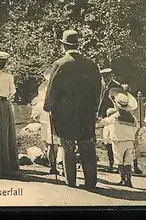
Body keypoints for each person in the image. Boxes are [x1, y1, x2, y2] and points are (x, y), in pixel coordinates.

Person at [44, 29, 102, 189]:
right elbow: (98, 90)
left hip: (65, 114)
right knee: (87, 146)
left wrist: (48, 106)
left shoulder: (60, 64)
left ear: (63, 46)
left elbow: (52, 89)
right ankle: (91, 181)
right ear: (78, 44)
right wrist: (95, 110)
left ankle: (70, 181)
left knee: (68, 146)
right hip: (86, 114)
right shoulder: (91, 64)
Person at [98, 88, 139, 187]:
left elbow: (106, 122)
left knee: (120, 162)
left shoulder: (115, 116)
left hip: (118, 142)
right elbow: (137, 127)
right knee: (128, 162)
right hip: (129, 142)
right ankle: (129, 180)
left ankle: (123, 179)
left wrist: (98, 120)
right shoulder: (132, 118)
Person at [32, 70, 61, 175]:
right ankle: (53, 166)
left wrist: (36, 114)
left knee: (49, 142)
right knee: (54, 143)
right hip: (52, 115)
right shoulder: (52, 87)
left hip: (45, 115)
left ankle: (51, 163)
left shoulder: (43, 86)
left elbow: (39, 102)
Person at [102, 107, 118, 173]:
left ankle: (111, 166)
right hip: (113, 140)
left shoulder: (108, 121)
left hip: (109, 141)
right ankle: (115, 167)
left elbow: (106, 134)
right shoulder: (116, 121)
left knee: (111, 154)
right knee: (115, 154)